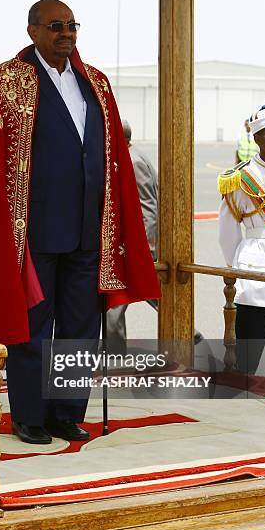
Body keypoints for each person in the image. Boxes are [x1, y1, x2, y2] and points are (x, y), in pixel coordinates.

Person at [0, 0, 161, 445]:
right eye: (55, 26)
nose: (66, 33)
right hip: (31, 234)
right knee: (32, 329)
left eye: (72, 25)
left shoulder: (95, 82)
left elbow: (112, 156)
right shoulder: (1, 84)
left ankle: (65, 412)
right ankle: (30, 416)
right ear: (33, 30)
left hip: (88, 230)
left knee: (79, 330)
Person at [218, 85, 265, 375]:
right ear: (258, 136)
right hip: (255, 270)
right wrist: (235, 264)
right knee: (249, 355)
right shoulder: (239, 179)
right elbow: (228, 231)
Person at [106, 120, 158, 356]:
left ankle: (114, 354)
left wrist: (146, 248)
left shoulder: (133, 161)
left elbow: (148, 207)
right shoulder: (130, 154)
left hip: (138, 245)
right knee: (150, 294)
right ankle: (190, 334)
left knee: (115, 302)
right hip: (132, 244)